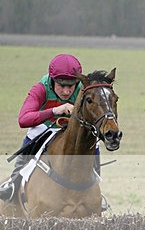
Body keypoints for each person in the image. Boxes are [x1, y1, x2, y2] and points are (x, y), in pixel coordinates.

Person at [0, 53, 84, 202]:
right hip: (46, 127)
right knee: (34, 133)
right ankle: (14, 183)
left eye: (71, 86)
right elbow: (23, 119)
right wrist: (53, 111)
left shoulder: (83, 90)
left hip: (72, 129)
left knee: (93, 140)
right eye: (61, 85)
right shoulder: (41, 88)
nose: (66, 91)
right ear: (52, 80)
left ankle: (94, 185)